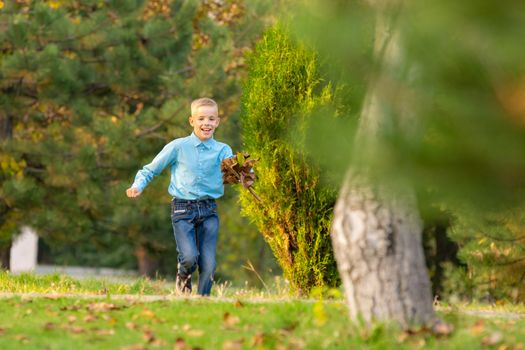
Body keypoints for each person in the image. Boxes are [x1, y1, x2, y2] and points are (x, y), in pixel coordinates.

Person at [126, 97, 233, 296]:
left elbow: (235, 170)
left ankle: (203, 301)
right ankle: (183, 279)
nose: (206, 123)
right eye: (201, 118)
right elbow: (150, 170)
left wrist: (246, 174)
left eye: (211, 119)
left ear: (217, 121)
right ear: (192, 121)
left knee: (209, 264)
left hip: (209, 210)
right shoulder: (178, 147)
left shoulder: (223, 150)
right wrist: (137, 185)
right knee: (189, 257)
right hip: (183, 209)